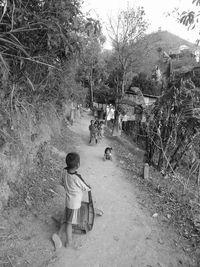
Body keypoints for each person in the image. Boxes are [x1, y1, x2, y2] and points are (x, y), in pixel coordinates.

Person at [52, 152, 91, 250]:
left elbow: (61, 182)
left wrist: (68, 187)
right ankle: (69, 242)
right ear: (78, 165)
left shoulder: (64, 171)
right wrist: (89, 187)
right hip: (74, 204)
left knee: (67, 218)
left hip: (69, 201)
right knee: (69, 223)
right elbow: (85, 187)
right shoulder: (76, 177)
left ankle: (58, 234)